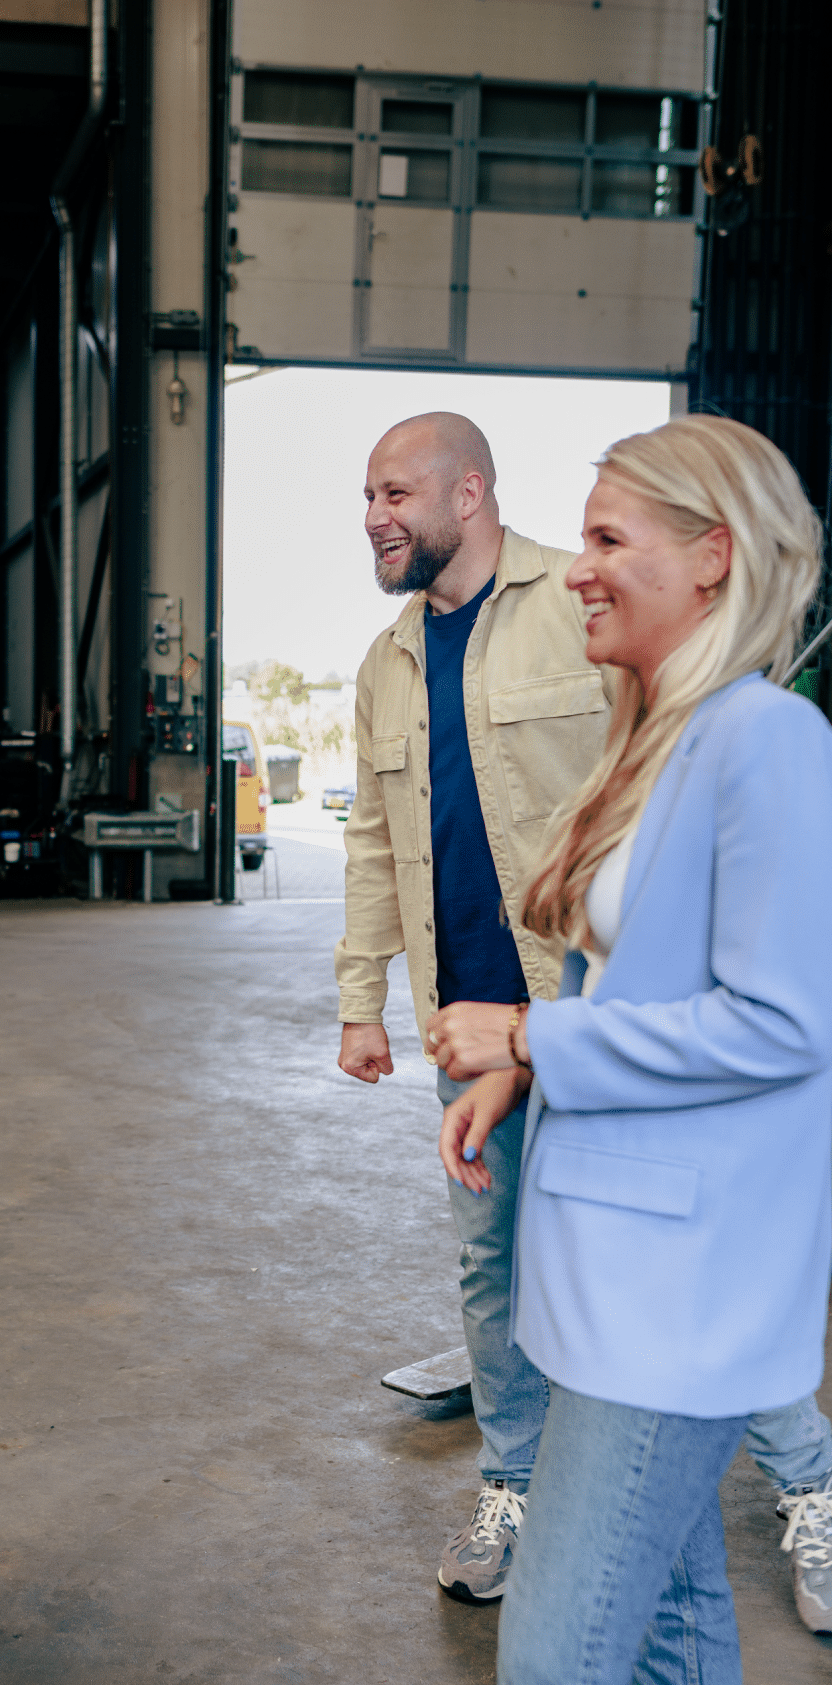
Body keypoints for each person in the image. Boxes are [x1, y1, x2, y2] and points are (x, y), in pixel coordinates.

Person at [336, 410, 832, 1613]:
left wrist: (549, 1023)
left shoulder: (584, 604)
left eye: (396, 493)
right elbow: (370, 837)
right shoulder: (384, 662)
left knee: (678, 1269)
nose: (375, 518)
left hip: (598, 1006)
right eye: (366, 497)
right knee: (497, 1272)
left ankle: (809, 1490)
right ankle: (514, 1485)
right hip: (477, 1026)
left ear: (470, 494)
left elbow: (683, 786)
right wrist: (365, 998)